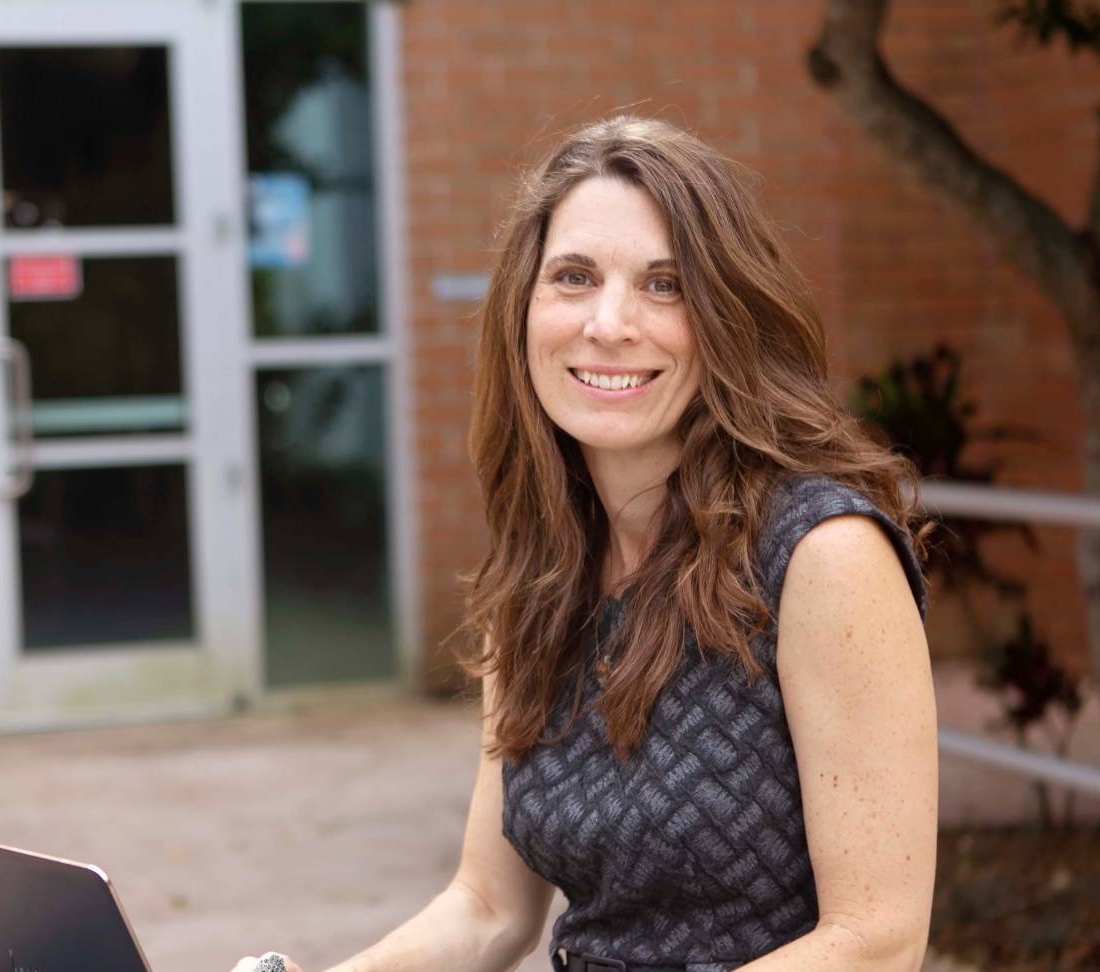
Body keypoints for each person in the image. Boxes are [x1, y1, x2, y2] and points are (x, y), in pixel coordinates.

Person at [230, 116, 937, 972]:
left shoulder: (822, 554)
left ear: (727, 318)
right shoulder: (541, 570)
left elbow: (876, 942)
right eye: (574, 277)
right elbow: (490, 908)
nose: (610, 322)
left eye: (665, 285)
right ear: (524, 310)